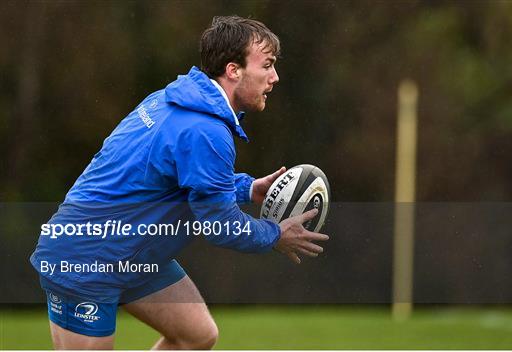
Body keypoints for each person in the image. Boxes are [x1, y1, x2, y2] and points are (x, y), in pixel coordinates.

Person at [30, 15, 329, 350]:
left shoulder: (176, 100)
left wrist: (246, 188)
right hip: (86, 257)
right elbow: (221, 226)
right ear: (233, 70)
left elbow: (185, 180)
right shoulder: (206, 130)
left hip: (130, 252)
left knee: (196, 335)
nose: (274, 77)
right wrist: (276, 235)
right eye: (268, 65)